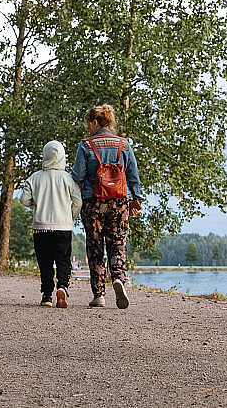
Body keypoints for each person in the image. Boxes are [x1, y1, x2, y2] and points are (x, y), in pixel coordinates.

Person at [71, 104, 145, 309]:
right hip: (119, 202)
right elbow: (133, 176)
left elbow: (77, 176)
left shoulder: (86, 145)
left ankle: (99, 295)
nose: (87, 127)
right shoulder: (124, 144)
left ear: (95, 122)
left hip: (93, 202)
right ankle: (118, 278)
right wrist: (136, 198)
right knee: (118, 243)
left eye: (88, 123)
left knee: (95, 247)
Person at [20, 140, 82, 308]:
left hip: (41, 227)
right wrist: (70, 217)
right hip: (63, 226)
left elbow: (24, 200)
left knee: (45, 262)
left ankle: (47, 295)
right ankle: (62, 286)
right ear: (62, 157)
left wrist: (36, 203)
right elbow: (78, 202)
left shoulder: (35, 177)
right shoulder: (68, 178)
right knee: (63, 260)